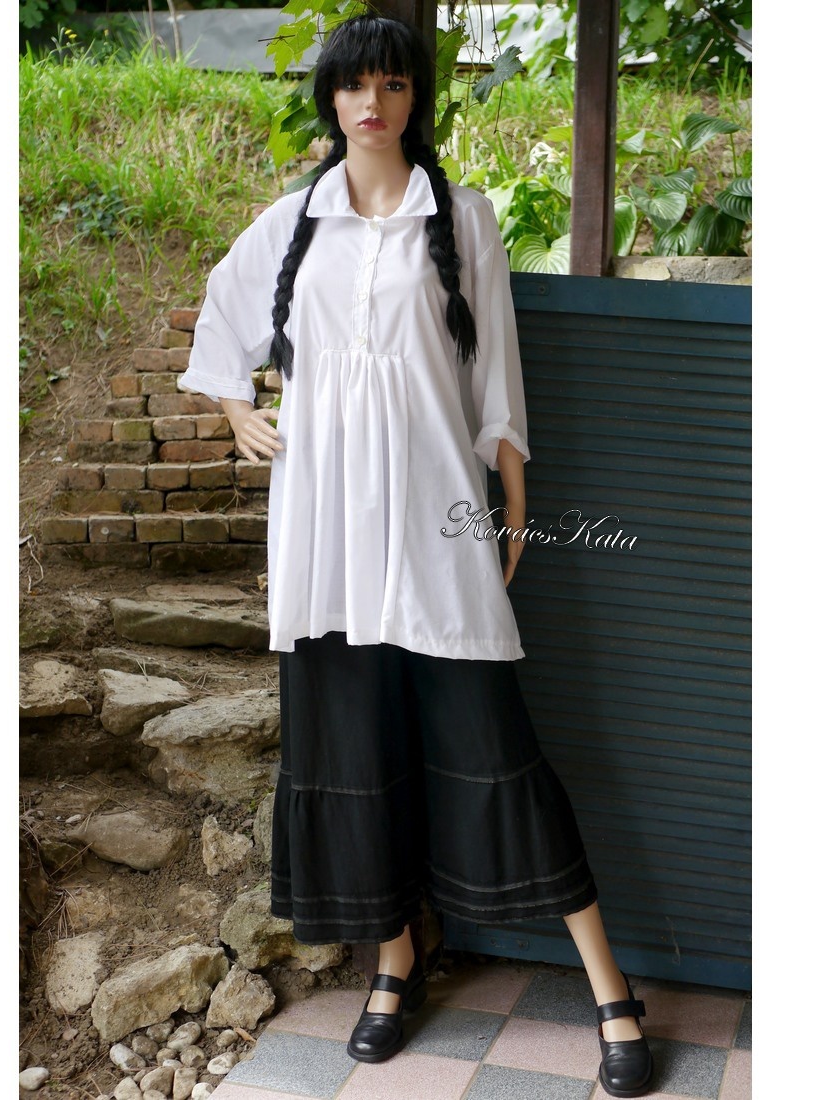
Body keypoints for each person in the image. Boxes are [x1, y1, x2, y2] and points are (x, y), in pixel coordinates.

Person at [175, 12, 653, 1098]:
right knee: (350, 753)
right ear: (330, 99)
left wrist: (513, 492)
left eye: (392, 85)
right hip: (326, 535)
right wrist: (234, 410)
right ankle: (392, 965)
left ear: (413, 100)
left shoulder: (462, 217)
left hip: (436, 522)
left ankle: (609, 986)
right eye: (354, 86)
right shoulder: (291, 225)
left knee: (496, 746)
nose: (372, 104)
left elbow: (496, 378)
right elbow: (220, 328)